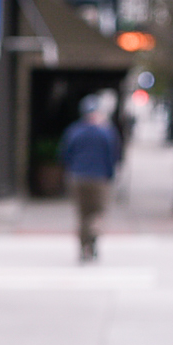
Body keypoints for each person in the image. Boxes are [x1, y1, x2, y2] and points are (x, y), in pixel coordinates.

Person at [58, 94, 121, 262]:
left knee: (82, 214)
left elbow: (64, 154)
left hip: (77, 177)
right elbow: (114, 156)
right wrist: (111, 174)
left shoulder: (74, 131)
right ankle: (93, 233)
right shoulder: (106, 132)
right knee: (98, 212)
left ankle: (83, 248)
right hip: (99, 178)